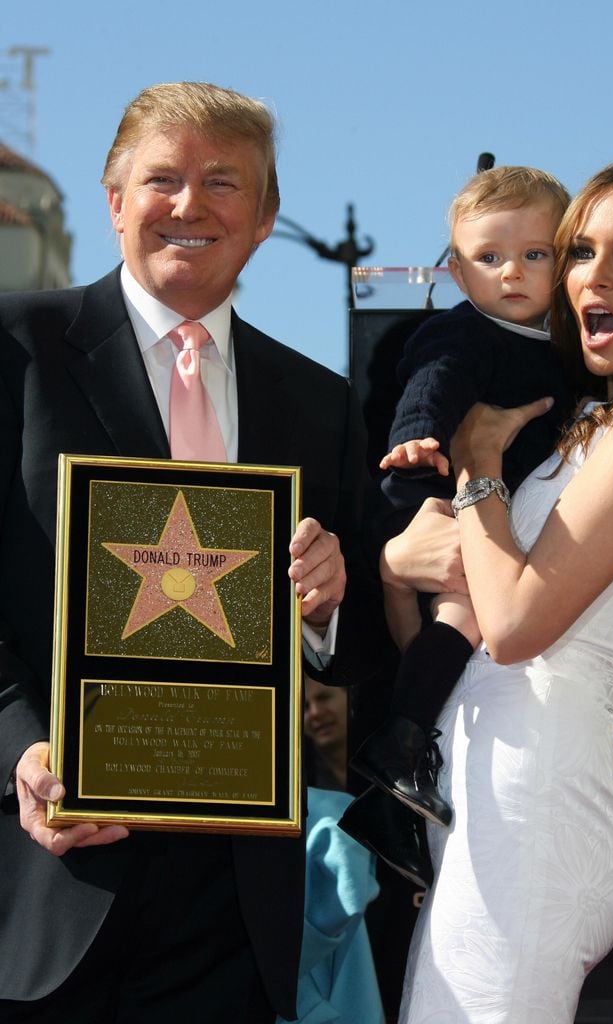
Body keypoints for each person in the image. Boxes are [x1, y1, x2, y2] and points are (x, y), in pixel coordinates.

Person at [0, 82, 385, 1023]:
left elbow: (370, 645)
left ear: (263, 217)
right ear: (113, 199)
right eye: (162, 178)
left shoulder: (318, 401)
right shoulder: (15, 349)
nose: (189, 205)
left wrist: (329, 609)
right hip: (43, 886)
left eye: (223, 182)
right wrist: (23, 749)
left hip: (234, 908)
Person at [379, 154, 613, 1023]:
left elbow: (514, 628)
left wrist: (476, 465)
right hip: (481, 795)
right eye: (579, 251)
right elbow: (461, 637)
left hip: (534, 803)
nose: (590, 277)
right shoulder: (597, 423)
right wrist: (399, 568)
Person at [347, 167, 575, 831]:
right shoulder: (464, 331)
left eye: (535, 255)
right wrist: (418, 434)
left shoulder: (565, 349)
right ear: (455, 271)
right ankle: (399, 740)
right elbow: (433, 383)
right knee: (468, 609)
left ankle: (397, 788)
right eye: (489, 257)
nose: (512, 273)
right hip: (425, 494)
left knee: (467, 620)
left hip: (479, 505)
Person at [304, 675, 349, 791]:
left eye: (323, 698)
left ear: (349, 695)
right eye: (304, 707)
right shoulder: (301, 784)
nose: (315, 713)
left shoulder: (393, 761)